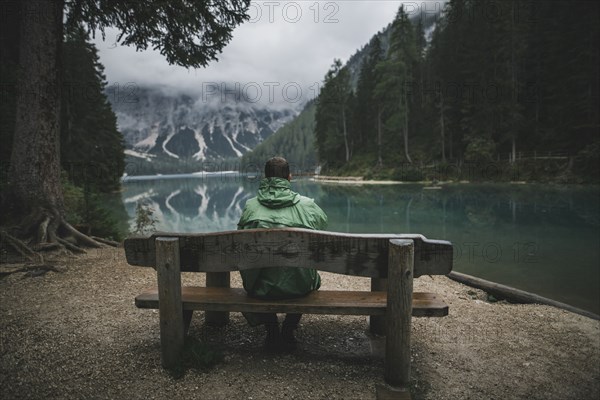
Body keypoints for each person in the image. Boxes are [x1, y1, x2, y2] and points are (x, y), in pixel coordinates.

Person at [237, 157, 327, 352]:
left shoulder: (250, 207)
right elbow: (324, 231)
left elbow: (240, 245)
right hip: (300, 286)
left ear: (265, 178)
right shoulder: (307, 205)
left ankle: (271, 330)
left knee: (261, 273)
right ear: (289, 177)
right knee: (304, 275)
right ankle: (288, 328)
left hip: (261, 289)